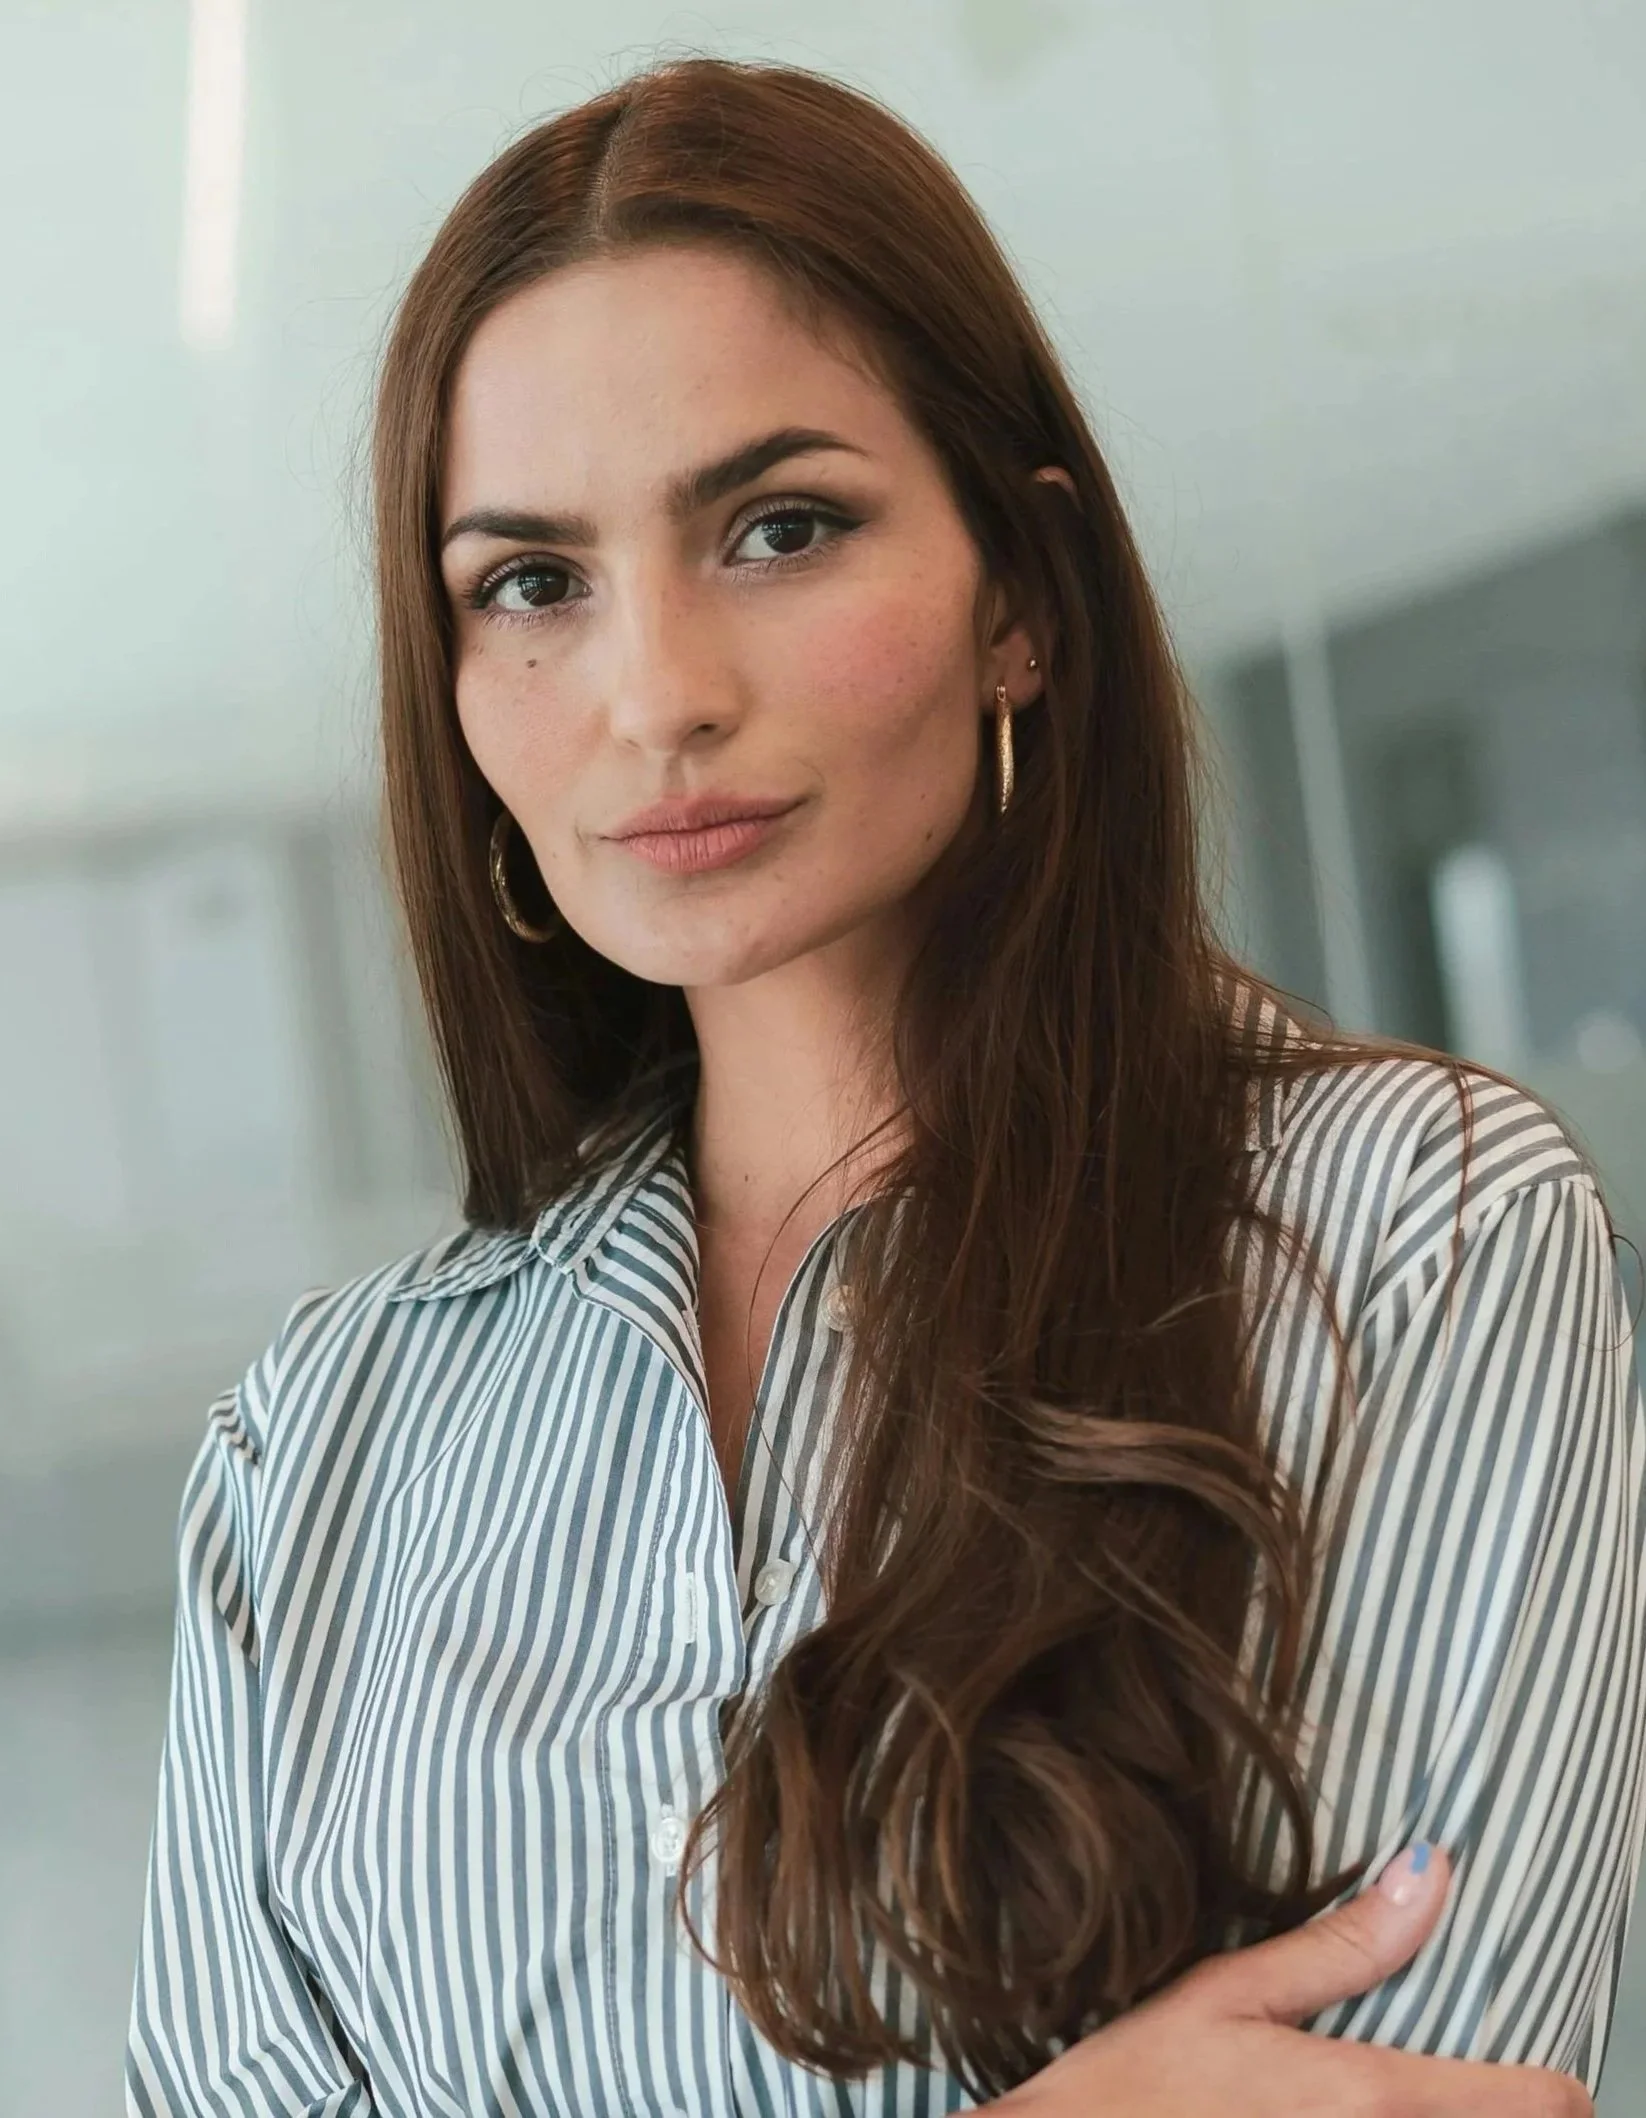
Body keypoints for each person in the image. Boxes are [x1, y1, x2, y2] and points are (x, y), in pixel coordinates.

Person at [125, 53, 1643, 2118]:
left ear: (1017, 597)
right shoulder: (318, 1453)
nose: (656, 693)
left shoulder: (1415, 1238)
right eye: (533, 583)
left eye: (778, 528)